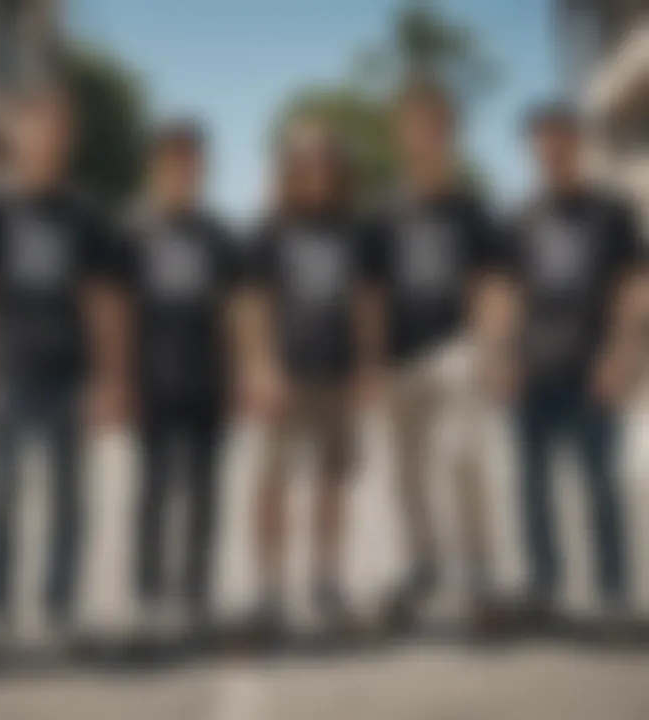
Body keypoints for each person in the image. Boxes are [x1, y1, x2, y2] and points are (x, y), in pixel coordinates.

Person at [0, 85, 124, 649]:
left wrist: (107, 380)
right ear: (19, 132)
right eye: (38, 125)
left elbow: (100, 303)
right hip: (8, 371)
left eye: (59, 128)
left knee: (70, 501)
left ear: (68, 139)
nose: (47, 137)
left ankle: (60, 607)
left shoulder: (84, 213)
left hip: (70, 373)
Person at [361, 78, 507, 630]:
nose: (426, 137)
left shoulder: (471, 210)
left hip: (455, 348)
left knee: (463, 454)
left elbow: (492, 284)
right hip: (398, 358)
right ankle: (423, 565)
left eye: (437, 127)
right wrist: (371, 363)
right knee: (404, 473)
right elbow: (371, 293)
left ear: (452, 136)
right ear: (401, 135)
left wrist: (487, 348)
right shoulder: (382, 214)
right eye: (416, 126)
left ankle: (478, 572)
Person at [508, 103, 647, 622]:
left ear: (578, 144)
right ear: (533, 150)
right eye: (542, 141)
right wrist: (506, 360)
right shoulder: (522, 215)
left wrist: (623, 355)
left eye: (561, 138)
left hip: (594, 369)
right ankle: (545, 588)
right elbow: (510, 295)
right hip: (534, 371)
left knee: (600, 489)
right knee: (533, 491)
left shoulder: (612, 210)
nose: (552, 149)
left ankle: (613, 594)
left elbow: (634, 287)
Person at [117, 121, 243, 633]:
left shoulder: (219, 235)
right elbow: (117, 312)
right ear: (154, 166)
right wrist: (120, 380)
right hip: (151, 380)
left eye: (192, 162)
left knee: (205, 495)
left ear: (203, 169)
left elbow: (234, 312)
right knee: (152, 494)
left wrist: (237, 380)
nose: (183, 170)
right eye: (172, 160)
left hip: (207, 382)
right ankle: (148, 597)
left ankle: (194, 595)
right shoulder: (130, 230)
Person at [241, 118, 362, 634]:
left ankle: (326, 580)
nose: (315, 170)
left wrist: (366, 366)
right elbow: (251, 303)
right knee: (271, 484)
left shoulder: (353, 230)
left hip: (337, 374)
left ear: (337, 170)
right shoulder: (270, 228)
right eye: (304, 161)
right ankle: (269, 588)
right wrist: (260, 365)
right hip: (284, 377)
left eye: (324, 160)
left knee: (331, 485)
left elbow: (365, 303)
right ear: (290, 169)